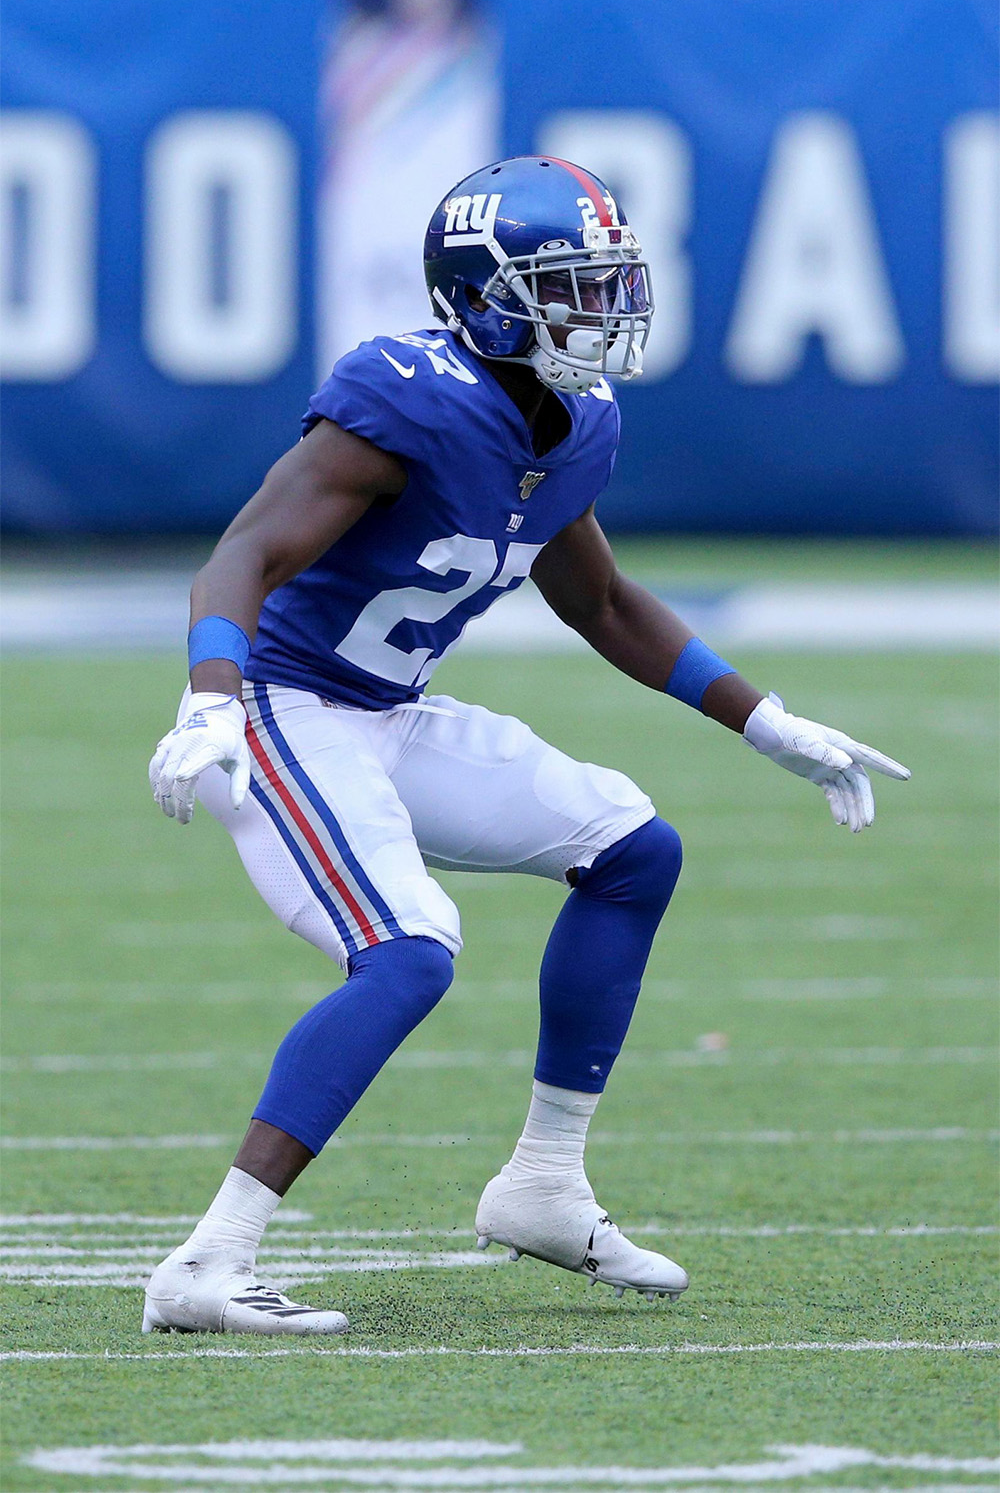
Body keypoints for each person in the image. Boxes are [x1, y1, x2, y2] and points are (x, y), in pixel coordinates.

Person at [144, 156, 910, 1337]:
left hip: (392, 712)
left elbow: (599, 603)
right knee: (408, 952)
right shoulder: (406, 393)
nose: (605, 311)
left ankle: (543, 1186)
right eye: (574, 286)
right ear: (490, 296)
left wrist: (763, 720)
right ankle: (209, 1260)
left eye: (609, 283)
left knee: (633, 848)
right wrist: (209, 700)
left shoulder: (580, 419)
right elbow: (241, 555)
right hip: (287, 712)